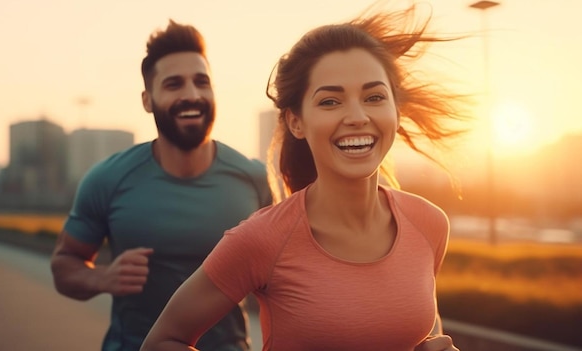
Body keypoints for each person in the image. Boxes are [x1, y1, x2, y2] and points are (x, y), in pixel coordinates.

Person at [140, 3, 469, 351]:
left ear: (395, 111)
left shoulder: (429, 224)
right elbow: (162, 342)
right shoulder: (261, 239)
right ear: (296, 121)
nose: (357, 116)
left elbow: (422, 332)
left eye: (374, 97)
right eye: (330, 102)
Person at [50, 19, 272, 351]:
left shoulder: (255, 179)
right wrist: (100, 278)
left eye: (202, 82)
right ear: (147, 99)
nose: (192, 95)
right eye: (173, 84)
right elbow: (63, 264)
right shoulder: (107, 179)